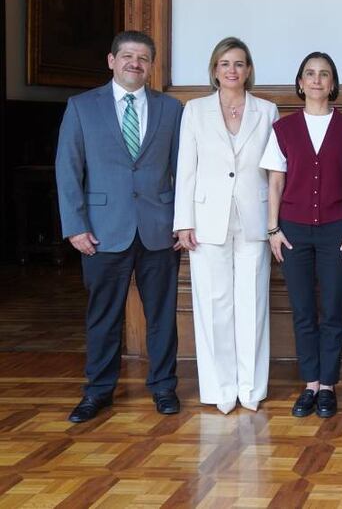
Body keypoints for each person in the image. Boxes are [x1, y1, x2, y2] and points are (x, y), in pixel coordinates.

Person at [56, 30, 183, 423]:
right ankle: (98, 391)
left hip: (159, 229)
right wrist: (75, 226)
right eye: (127, 56)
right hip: (101, 230)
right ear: (111, 61)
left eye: (143, 58)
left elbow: (184, 171)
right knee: (103, 315)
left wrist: (183, 222)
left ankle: (163, 387)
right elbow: (67, 169)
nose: (135, 63)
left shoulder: (172, 109)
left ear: (151, 66)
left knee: (161, 314)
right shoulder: (81, 107)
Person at [173, 37, 280, 414]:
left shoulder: (267, 111)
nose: (232, 70)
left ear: (248, 70)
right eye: (224, 64)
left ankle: (251, 389)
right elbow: (186, 168)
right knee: (213, 305)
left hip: (254, 218)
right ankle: (220, 388)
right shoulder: (195, 110)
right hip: (206, 220)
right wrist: (183, 222)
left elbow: (275, 172)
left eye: (239, 63)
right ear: (214, 70)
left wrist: (275, 223)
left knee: (252, 303)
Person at [261, 52, 342, 419]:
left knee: (332, 308)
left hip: (338, 227)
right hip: (293, 230)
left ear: (333, 84)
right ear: (300, 83)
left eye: (324, 74)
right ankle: (310, 384)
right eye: (310, 74)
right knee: (303, 310)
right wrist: (273, 228)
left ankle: (329, 385)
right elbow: (275, 182)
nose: (317, 80)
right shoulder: (283, 129)